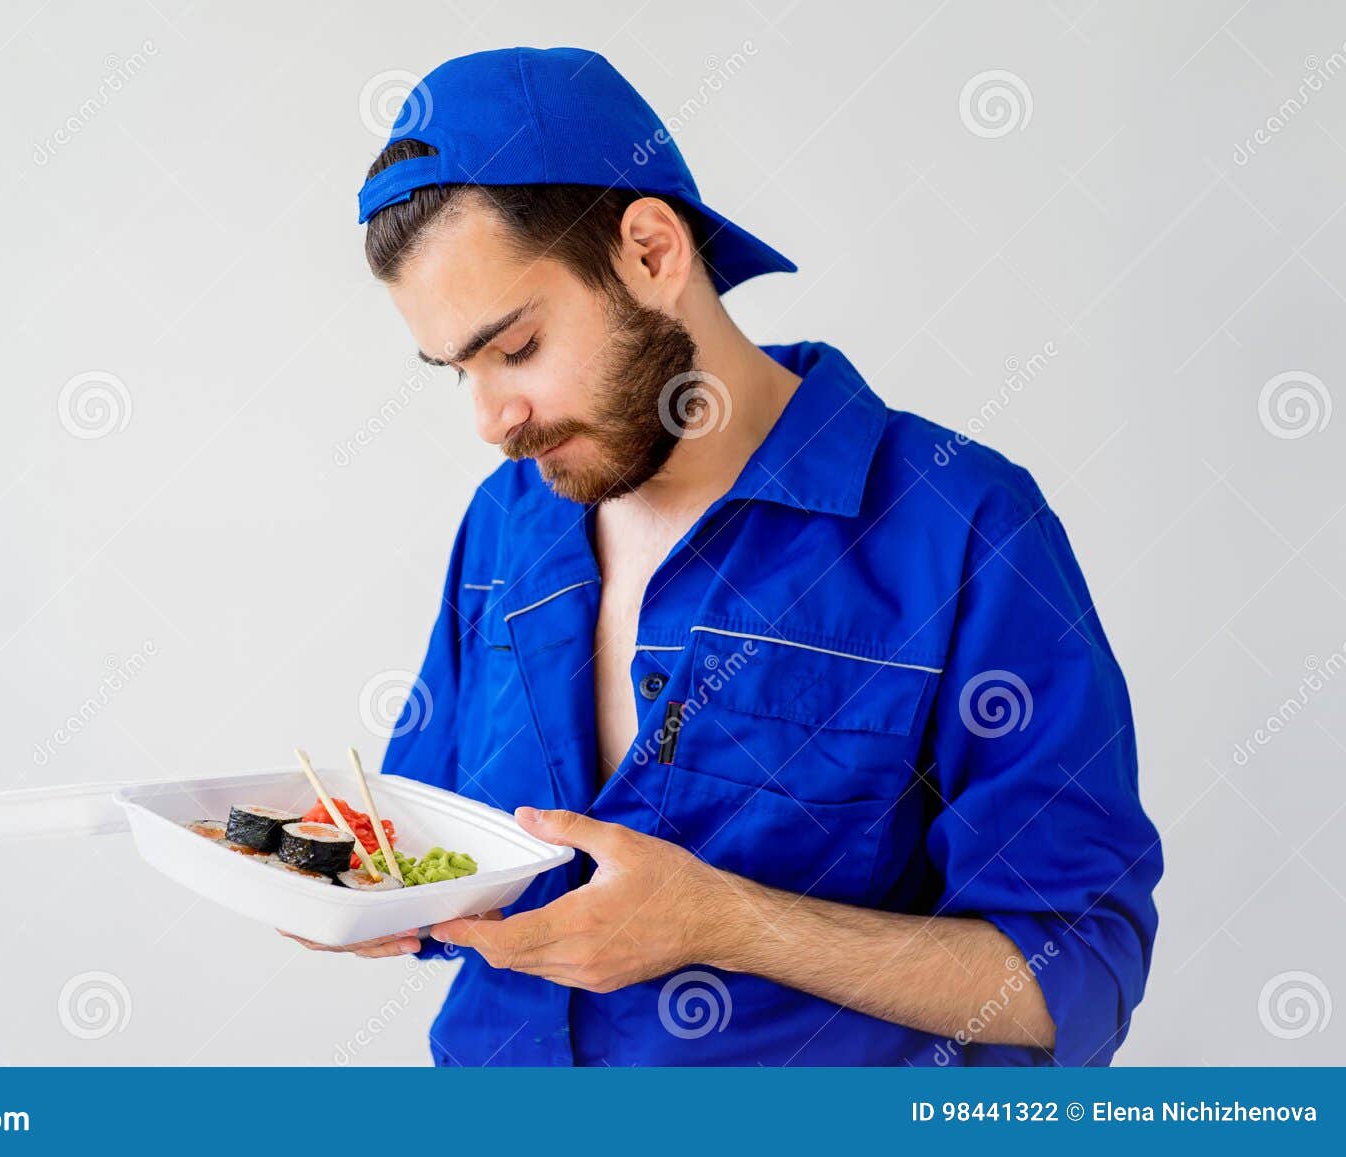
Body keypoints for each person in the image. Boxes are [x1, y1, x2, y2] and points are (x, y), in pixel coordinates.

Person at [283, 46, 1162, 1067]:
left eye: (516, 348)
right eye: (458, 371)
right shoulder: (506, 519)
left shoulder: (961, 526)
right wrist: (353, 888)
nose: (492, 418)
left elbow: (1080, 972)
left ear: (651, 253)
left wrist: (733, 922)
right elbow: (435, 847)